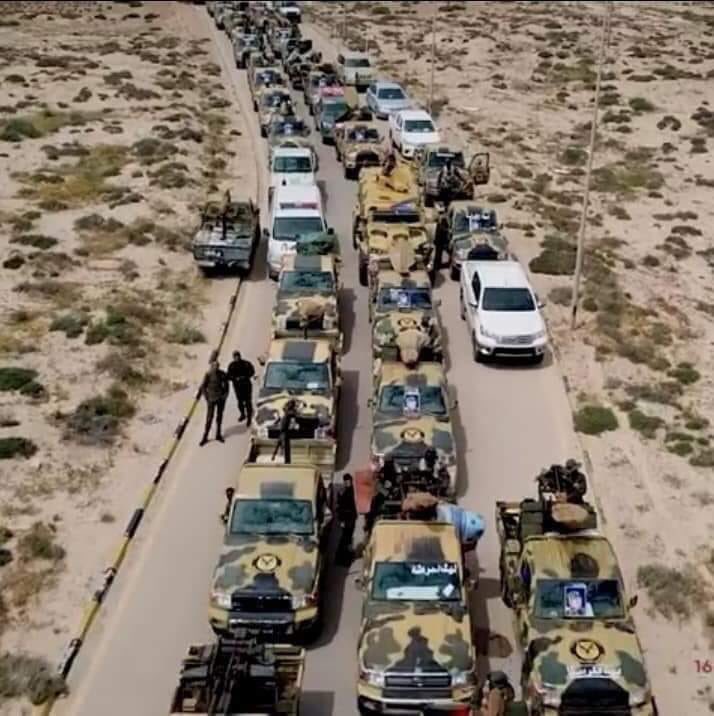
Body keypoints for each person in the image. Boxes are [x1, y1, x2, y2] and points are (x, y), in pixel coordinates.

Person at [199, 358, 229, 446]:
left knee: (219, 418)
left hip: (220, 399)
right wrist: (206, 397)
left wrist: (225, 395)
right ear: (212, 367)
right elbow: (203, 387)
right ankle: (205, 437)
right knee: (209, 419)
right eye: (214, 366)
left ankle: (218, 434)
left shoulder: (222, 374)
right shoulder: (208, 375)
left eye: (217, 366)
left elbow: (227, 385)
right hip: (211, 399)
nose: (216, 367)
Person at [227, 351, 255, 426]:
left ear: (240, 356)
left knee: (248, 402)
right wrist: (235, 378)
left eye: (238, 356)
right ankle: (242, 414)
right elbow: (228, 376)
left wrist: (244, 377)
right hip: (237, 387)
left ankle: (249, 417)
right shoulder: (231, 366)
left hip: (246, 385)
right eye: (235, 357)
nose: (237, 358)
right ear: (233, 357)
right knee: (240, 402)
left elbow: (252, 371)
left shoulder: (246, 364)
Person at [336, 474, 358, 566]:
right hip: (346, 519)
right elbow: (339, 507)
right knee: (345, 538)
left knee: (348, 536)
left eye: (349, 481)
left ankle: (346, 555)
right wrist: (341, 520)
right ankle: (342, 557)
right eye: (347, 481)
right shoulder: (342, 492)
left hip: (351, 517)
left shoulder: (352, 489)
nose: (348, 483)